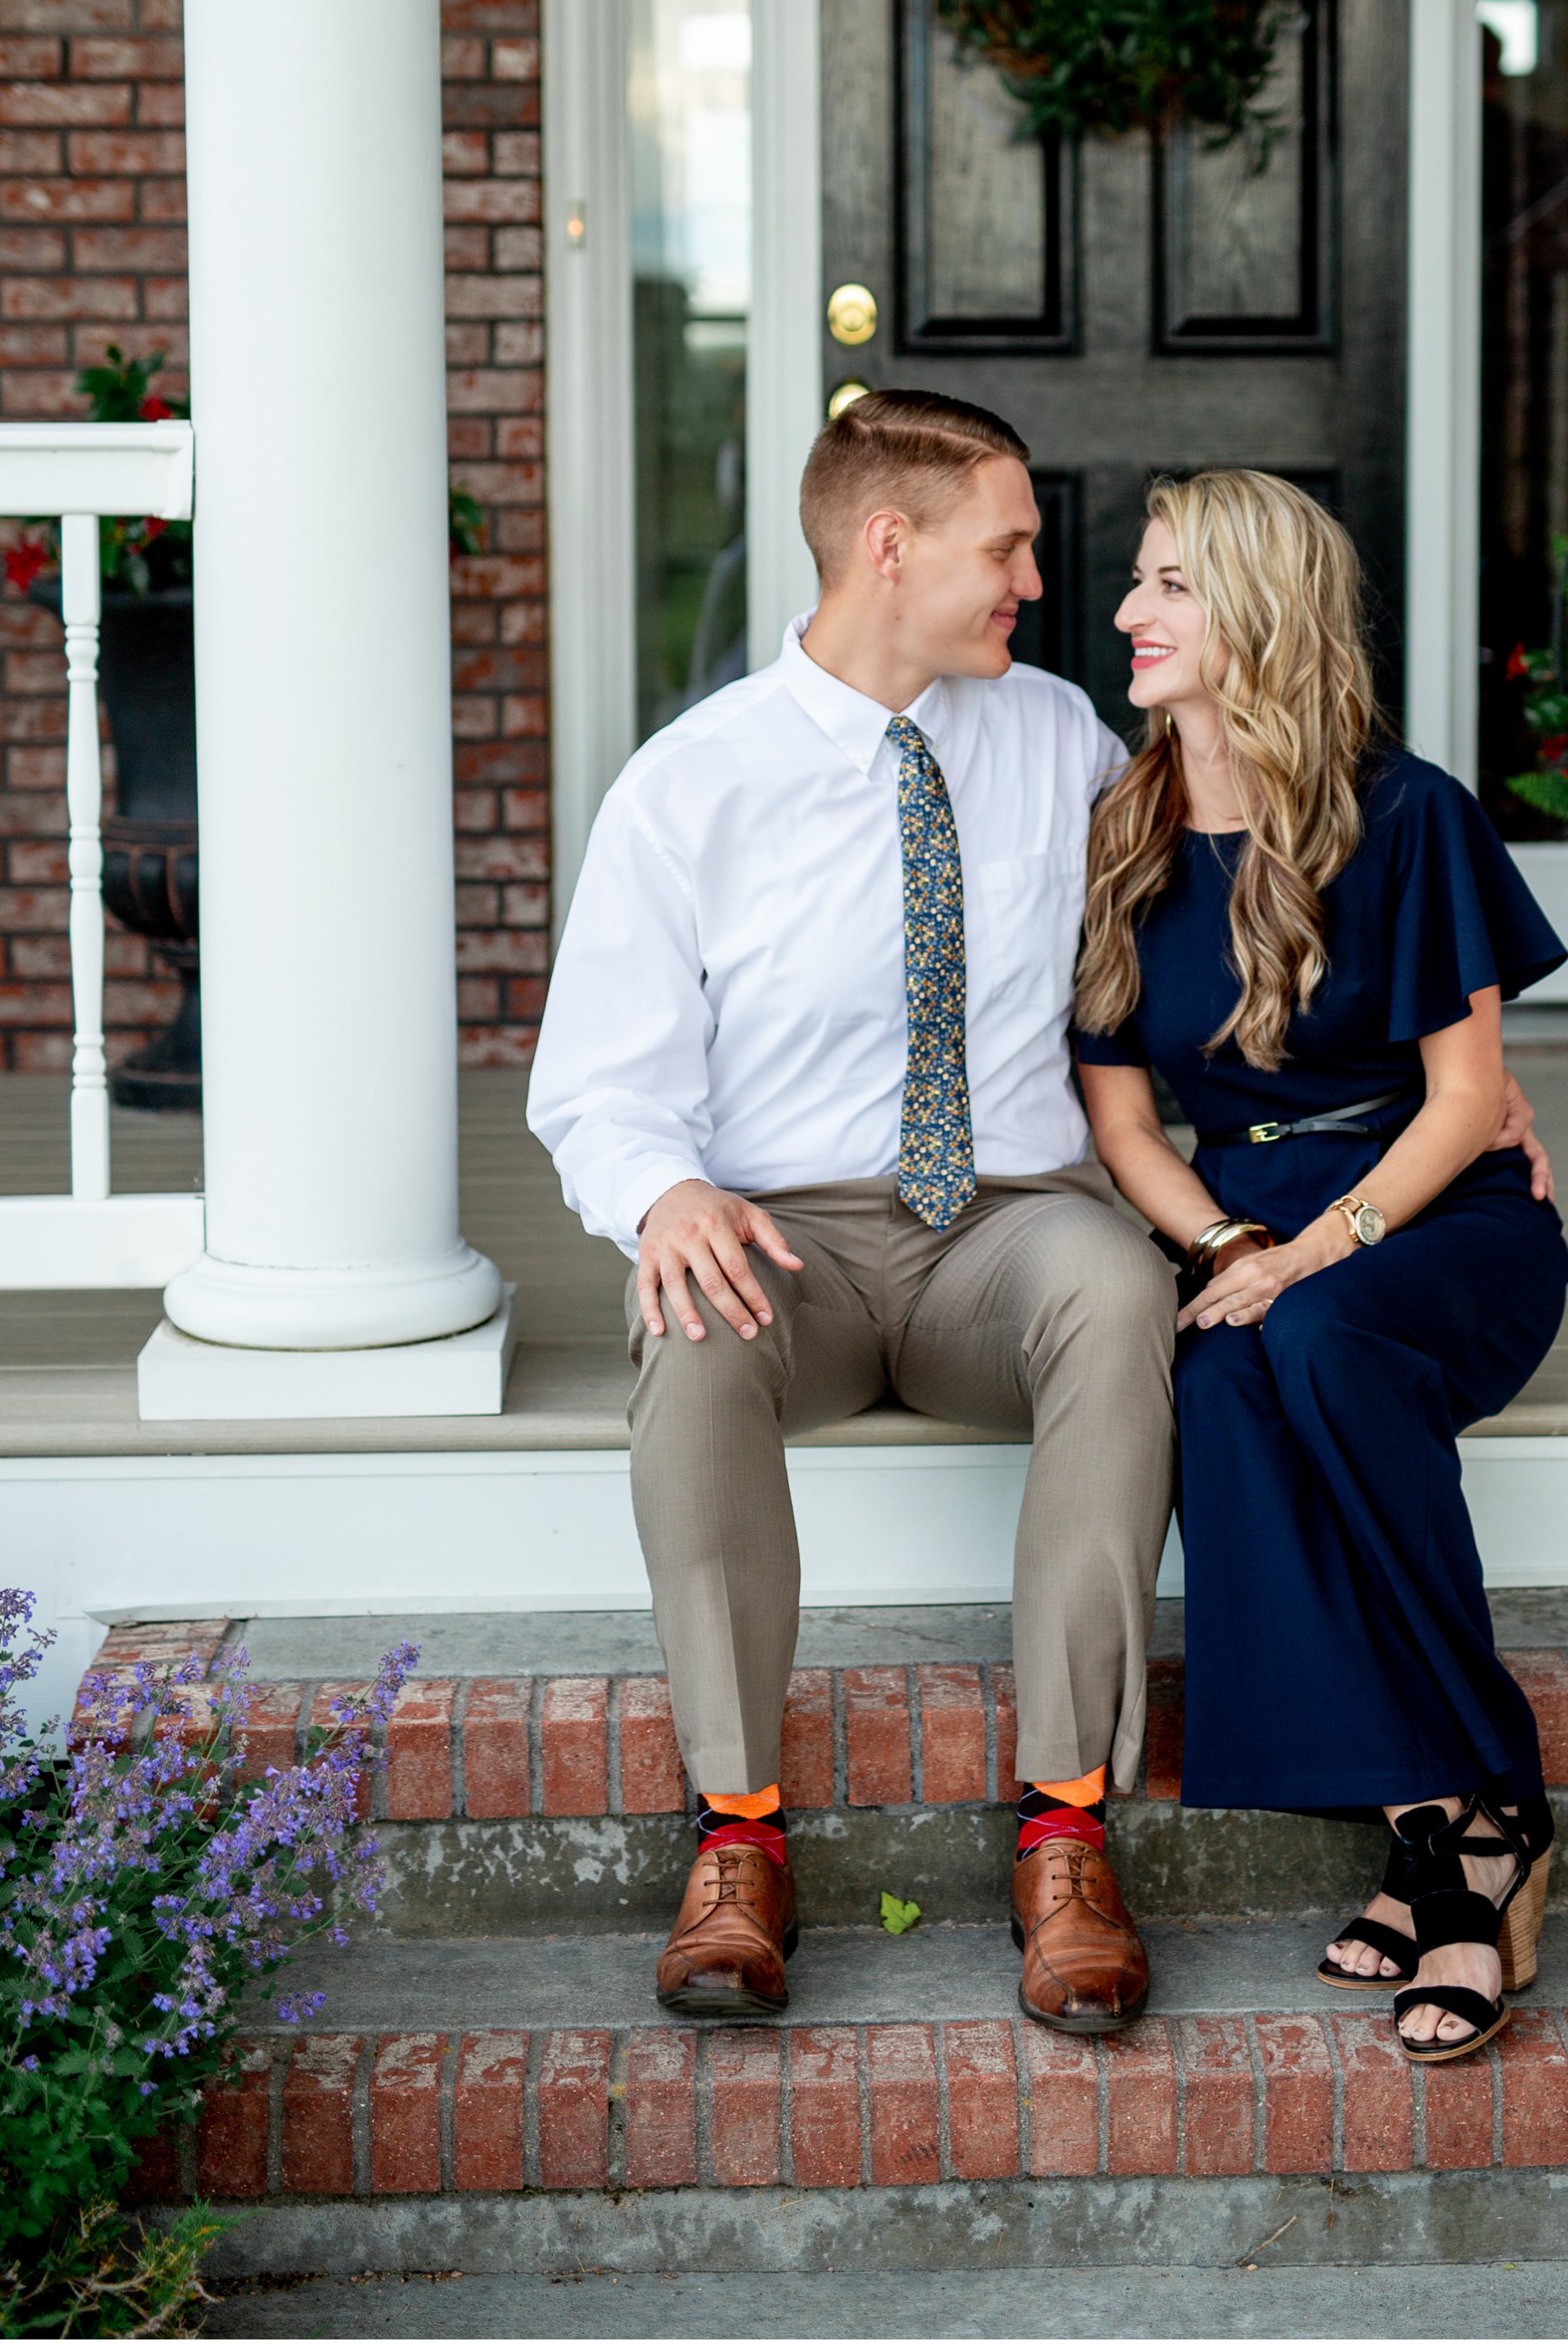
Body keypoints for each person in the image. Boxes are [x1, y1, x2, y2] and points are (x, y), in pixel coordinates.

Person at [529, 390, 1177, 2034]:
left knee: (1115, 1287)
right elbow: (598, 1079)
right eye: (1009, 545)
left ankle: (1065, 1833)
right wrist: (663, 1187)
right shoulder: (693, 784)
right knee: (687, 1315)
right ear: (890, 547)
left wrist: (1452, 1057)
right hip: (788, 1238)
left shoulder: (1061, 737)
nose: (1040, 577)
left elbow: (1224, 902)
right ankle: (739, 1837)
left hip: (1001, 1233)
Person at [1076, 470, 1568, 2066]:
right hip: (1248, 1219)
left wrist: (1315, 1253)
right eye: (1138, 584)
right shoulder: (1129, 825)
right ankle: (1454, 1836)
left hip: (1441, 1214)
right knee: (1219, 1374)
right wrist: (1233, 1247)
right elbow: (1121, 1112)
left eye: (1169, 586)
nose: (1130, 614)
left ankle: (1495, 1802)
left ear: (1260, 614)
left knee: (1322, 1344)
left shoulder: (1405, 808)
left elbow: (1468, 1097)